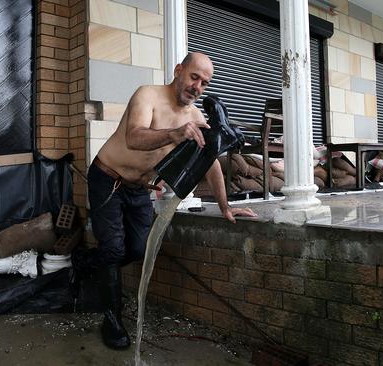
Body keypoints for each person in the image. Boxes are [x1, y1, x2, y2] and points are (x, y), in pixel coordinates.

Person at [86, 52, 257, 349]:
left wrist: (225, 206)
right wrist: (176, 134)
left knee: (137, 248)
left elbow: (211, 162)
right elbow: (134, 138)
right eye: (194, 77)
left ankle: (85, 262)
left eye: (205, 83)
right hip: (107, 178)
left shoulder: (195, 117)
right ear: (179, 70)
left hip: (138, 188)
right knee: (113, 249)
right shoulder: (148, 94)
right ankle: (112, 320)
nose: (198, 87)